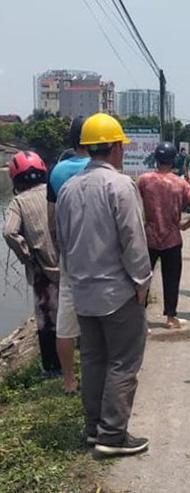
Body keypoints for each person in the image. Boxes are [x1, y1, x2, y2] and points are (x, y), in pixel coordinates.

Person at [56, 113, 152, 456]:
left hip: (82, 291)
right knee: (124, 361)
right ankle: (112, 434)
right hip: (117, 292)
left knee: (94, 360)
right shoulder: (120, 186)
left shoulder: (67, 189)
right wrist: (143, 282)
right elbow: (134, 240)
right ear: (114, 147)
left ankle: (93, 428)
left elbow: (62, 242)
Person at [3, 151, 61, 377]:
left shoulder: (18, 202)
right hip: (69, 264)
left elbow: (9, 232)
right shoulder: (56, 192)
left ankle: (52, 368)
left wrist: (27, 256)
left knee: (46, 320)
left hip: (42, 271)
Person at [137, 142, 190, 329]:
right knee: (171, 278)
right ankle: (170, 317)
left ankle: (141, 318)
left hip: (148, 237)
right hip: (172, 238)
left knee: (143, 279)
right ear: (173, 159)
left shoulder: (144, 180)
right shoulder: (180, 183)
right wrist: (184, 225)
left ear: (156, 159)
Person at [47, 116, 89, 393]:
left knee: (66, 323)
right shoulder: (105, 169)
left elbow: (51, 218)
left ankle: (69, 381)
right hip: (102, 257)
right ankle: (97, 376)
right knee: (99, 320)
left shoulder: (57, 171)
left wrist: (59, 247)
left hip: (70, 254)